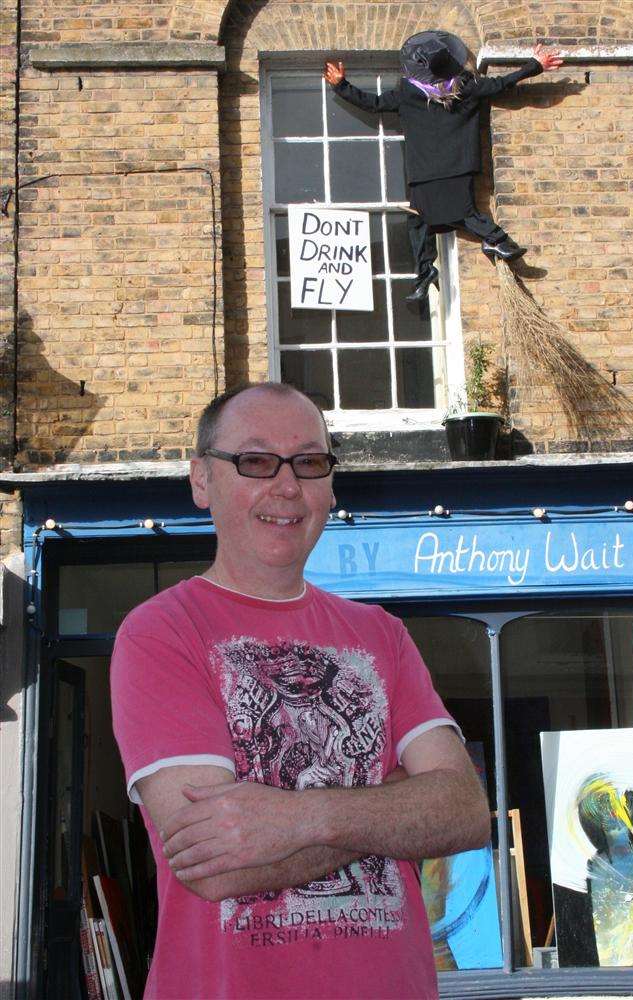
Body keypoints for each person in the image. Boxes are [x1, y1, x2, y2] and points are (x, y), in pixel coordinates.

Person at [111, 382, 490, 999]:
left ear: (331, 486)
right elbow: (214, 863)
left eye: (309, 462)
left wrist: (291, 818)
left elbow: (465, 812)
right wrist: (389, 803)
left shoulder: (383, 635)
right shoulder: (160, 632)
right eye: (256, 462)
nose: (286, 486)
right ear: (202, 480)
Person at [324, 31, 563, 302]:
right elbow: (501, 84)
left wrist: (342, 86)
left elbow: (374, 104)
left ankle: (488, 245)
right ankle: (465, 255)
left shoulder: (409, 93)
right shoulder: (467, 88)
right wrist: (535, 65)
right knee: (440, 216)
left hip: (424, 171)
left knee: (426, 218)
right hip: (457, 166)